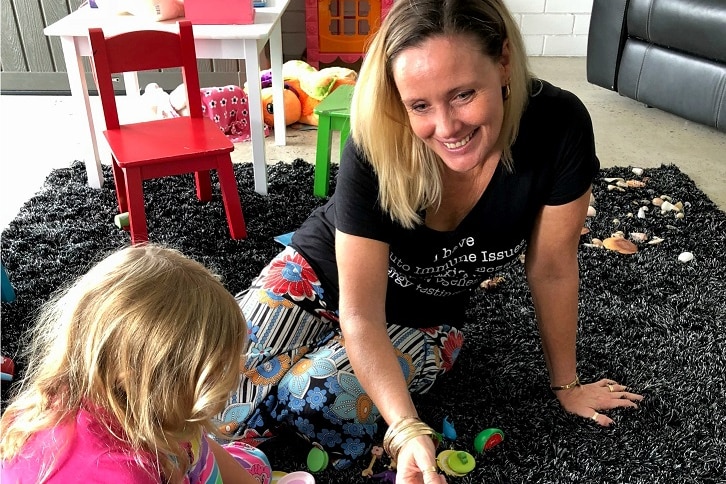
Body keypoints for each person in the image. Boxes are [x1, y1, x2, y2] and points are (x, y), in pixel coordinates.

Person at [218, 0, 644, 481]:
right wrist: (402, 423)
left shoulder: (559, 125)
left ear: (503, 61)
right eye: (420, 106)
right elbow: (359, 312)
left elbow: (552, 268)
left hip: (423, 319)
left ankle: (281, 391)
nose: (447, 128)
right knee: (206, 389)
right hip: (318, 273)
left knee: (312, 395)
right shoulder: (374, 138)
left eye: (463, 94)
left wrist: (566, 384)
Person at [0, 245, 271, 484]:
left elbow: (199, 443)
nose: (223, 389)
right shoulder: (121, 473)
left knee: (254, 461)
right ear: (140, 376)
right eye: (207, 378)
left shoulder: (120, 397)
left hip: (157, 449)